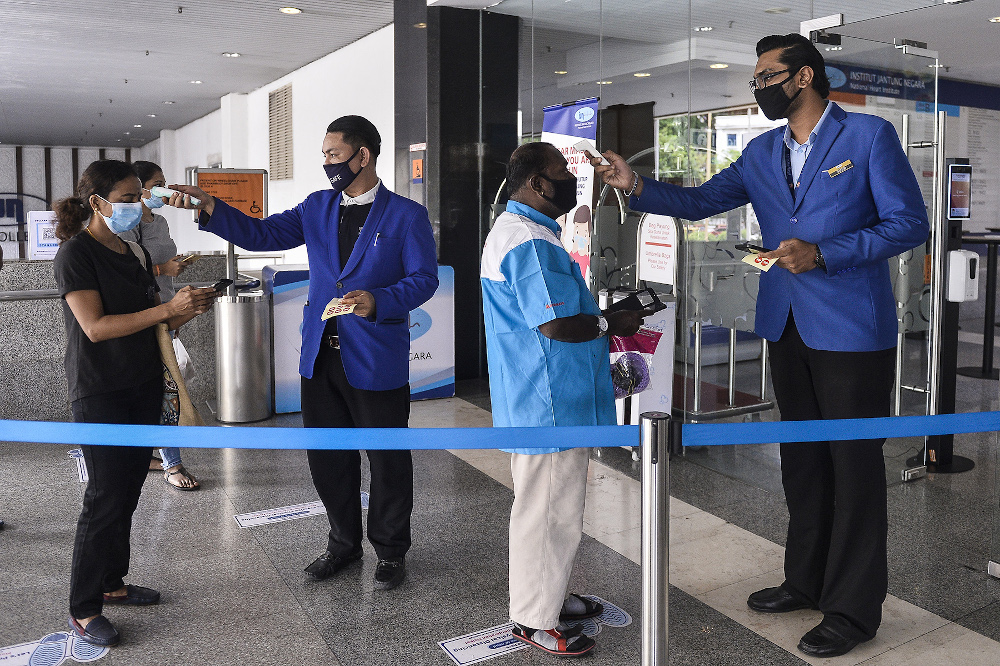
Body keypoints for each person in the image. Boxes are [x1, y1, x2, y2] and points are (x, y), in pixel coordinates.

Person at [591, 34, 929, 658]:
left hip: (853, 326)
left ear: (803, 77)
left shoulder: (867, 138)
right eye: (755, 82)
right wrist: (633, 184)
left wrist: (824, 252)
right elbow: (698, 202)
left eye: (766, 78)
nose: (758, 89)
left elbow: (910, 224)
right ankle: (804, 579)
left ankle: (852, 610)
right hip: (787, 321)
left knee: (852, 467)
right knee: (802, 460)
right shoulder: (761, 150)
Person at [167, 115, 438, 592]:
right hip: (320, 355)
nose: (327, 163)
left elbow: (423, 280)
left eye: (333, 154)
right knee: (327, 456)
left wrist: (379, 300)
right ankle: (342, 544)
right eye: (325, 155)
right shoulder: (317, 206)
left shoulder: (405, 216)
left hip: (375, 354)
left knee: (388, 458)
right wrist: (213, 208)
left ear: (363, 156)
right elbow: (262, 235)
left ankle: (391, 552)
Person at [481, 142, 644, 657]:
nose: (569, 182)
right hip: (547, 403)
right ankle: (533, 619)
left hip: (541, 397)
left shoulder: (520, 232)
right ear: (534, 184)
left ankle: (549, 595)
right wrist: (608, 322)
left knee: (551, 508)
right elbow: (553, 323)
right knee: (548, 511)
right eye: (559, 174)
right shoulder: (528, 241)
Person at [53, 160, 216, 646]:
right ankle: (83, 609)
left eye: (138, 196)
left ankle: (112, 584)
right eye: (127, 197)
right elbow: (95, 328)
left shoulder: (136, 252)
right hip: (100, 388)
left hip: (142, 382)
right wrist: (166, 309)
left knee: (127, 492)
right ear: (98, 203)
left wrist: (184, 311)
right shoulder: (76, 254)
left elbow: (154, 323)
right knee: (104, 497)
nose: (137, 204)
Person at [119, 160, 199, 490]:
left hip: (168, 310)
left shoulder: (161, 221)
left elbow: (160, 263)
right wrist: (163, 270)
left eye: (165, 182)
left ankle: (148, 453)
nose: (164, 190)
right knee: (165, 389)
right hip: (147, 314)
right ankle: (172, 463)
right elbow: (125, 270)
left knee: (164, 384)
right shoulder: (128, 223)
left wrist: (172, 271)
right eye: (157, 184)